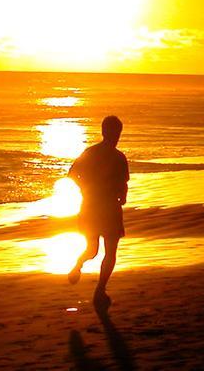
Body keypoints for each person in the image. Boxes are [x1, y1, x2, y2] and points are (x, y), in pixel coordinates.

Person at [68, 115, 130, 312]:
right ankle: (79, 265)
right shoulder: (92, 153)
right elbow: (72, 174)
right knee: (93, 251)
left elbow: (123, 183)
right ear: (104, 132)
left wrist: (123, 196)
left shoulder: (119, 157)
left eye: (118, 133)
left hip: (108, 208)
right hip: (94, 207)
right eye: (113, 132)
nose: (116, 136)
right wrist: (85, 187)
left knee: (110, 252)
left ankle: (100, 289)